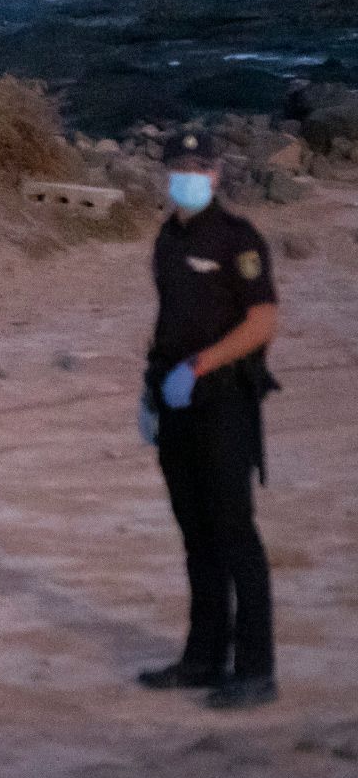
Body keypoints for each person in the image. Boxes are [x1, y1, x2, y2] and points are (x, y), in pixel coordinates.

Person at [137, 130, 280, 711]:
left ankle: (254, 670)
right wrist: (150, 392)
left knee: (234, 535)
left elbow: (262, 320)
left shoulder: (237, 238)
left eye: (198, 165)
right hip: (174, 404)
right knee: (195, 536)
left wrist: (201, 365)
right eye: (179, 165)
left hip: (222, 400)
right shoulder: (169, 237)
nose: (187, 175)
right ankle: (202, 658)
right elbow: (168, 318)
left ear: (217, 173)